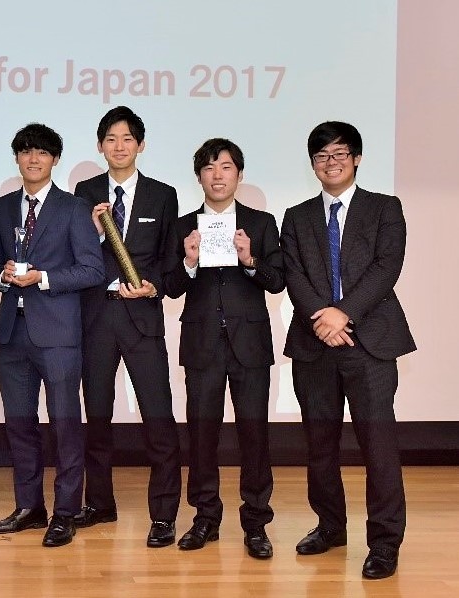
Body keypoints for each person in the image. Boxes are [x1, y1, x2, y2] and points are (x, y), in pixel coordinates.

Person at [281, 121, 415, 579]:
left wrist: (343, 314)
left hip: (370, 343)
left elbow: (386, 267)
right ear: (312, 164)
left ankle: (384, 542)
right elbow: (294, 274)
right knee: (320, 446)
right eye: (321, 156)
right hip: (315, 343)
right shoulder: (296, 216)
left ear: (356, 159)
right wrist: (324, 319)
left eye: (340, 153)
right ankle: (330, 526)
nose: (331, 162)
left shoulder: (384, 208)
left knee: (379, 446)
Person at [0, 123, 104, 547]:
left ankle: (65, 512)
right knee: (20, 424)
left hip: (57, 335)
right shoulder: (2, 208)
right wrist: (1, 274)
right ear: (17, 158)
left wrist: (44, 278)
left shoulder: (73, 208)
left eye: (42, 153)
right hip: (12, 332)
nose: (33, 159)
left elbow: (92, 269)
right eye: (26, 152)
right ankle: (29, 507)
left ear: (54, 160)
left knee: (65, 426)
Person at [163, 138, 285, 559]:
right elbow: (170, 287)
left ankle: (256, 523)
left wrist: (250, 260)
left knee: (255, 435)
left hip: (249, 343)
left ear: (239, 174)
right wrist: (189, 261)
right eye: (209, 168)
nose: (218, 175)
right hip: (202, 343)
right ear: (199, 176)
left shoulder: (261, 223)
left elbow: (277, 281)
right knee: (201, 436)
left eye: (226, 167)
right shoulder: (183, 226)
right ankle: (205, 518)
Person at [72, 106, 181, 547]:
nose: (119, 147)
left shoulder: (162, 194)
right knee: (97, 417)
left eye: (127, 139)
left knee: (158, 417)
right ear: (100, 146)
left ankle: (164, 515)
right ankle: (100, 503)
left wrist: (155, 287)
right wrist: (95, 233)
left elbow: (170, 259)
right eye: (111, 139)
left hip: (142, 319)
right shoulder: (84, 192)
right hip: (96, 316)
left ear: (141, 145)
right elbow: (75, 252)